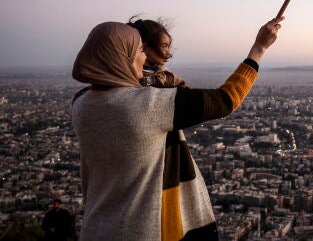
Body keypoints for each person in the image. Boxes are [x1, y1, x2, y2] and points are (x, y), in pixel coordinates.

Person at [71, 17, 282, 240]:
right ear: (122, 58)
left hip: (98, 227)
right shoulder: (147, 105)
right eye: (139, 50)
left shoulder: (81, 104)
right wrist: (259, 48)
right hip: (145, 228)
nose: (144, 58)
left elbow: (136, 84)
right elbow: (226, 99)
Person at [127, 16, 185, 87]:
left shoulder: (166, 74)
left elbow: (181, 86)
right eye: (164, 46)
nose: (169, 53)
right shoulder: (129, 75)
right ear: (145, 47)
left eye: (168, 47)